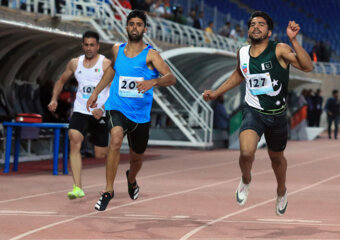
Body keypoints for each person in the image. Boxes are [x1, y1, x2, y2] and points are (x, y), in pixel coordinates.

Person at [202, 11, 313, 216]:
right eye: (252, 24)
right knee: (246, 153)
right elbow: (239, 73)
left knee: (276, 158)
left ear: (269, 31)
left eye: (261, 24)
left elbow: (308, 66)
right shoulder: (242, 52)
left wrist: (294, 40)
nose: (255, 27)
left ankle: (281, 190)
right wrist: (217, 92)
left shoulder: (279, 49)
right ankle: (246, 180)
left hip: (278, 114)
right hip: (253, 110)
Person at [86, 9, 176, 211]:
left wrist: (153, 81)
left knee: (136, 157)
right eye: (132, 24)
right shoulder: (117, 49)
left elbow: (171, 78)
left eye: (139, 24)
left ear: (144, 28)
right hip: (116, 106)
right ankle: (108, 190)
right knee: (115, 139)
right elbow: (112, 70)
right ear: (126, 27)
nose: (135, 27)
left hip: (140, 115)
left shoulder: (151, 54)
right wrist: (96, 93)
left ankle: (132, 179)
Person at [48, 31, 112, 199]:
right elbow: (61, 80)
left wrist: (103, 108)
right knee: (74, 139)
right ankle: (78, 187)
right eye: (86, 45)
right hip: (81, 110)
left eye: (92, 45)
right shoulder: (75, 63)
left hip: (99, 113)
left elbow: (116, 91)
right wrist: (54, 99)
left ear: (97, 46)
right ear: (82, 45)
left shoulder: (106, 64)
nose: (89, 48)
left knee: (101, 154)